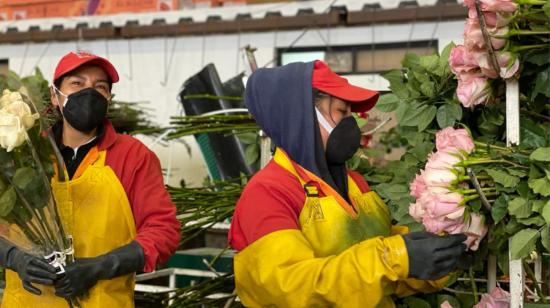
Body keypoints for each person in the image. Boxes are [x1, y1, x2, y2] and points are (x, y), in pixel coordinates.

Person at [228, 60, 467, 307]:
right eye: (341, 112)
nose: (351, 124)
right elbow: (292, 288)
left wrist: (440, 258)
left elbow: (385, 275)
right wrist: (396, 257)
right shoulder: (267, 194)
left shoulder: (354, 185)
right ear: (301, 117)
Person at [0, 50, 181, 307]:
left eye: (100, 87)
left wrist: (101, 266)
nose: (89, 92)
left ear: (108, 98)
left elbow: (164, 231)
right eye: (77, 83)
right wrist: (14, 258)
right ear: (55, 95)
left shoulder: (133, 157)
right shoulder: (22, 155)